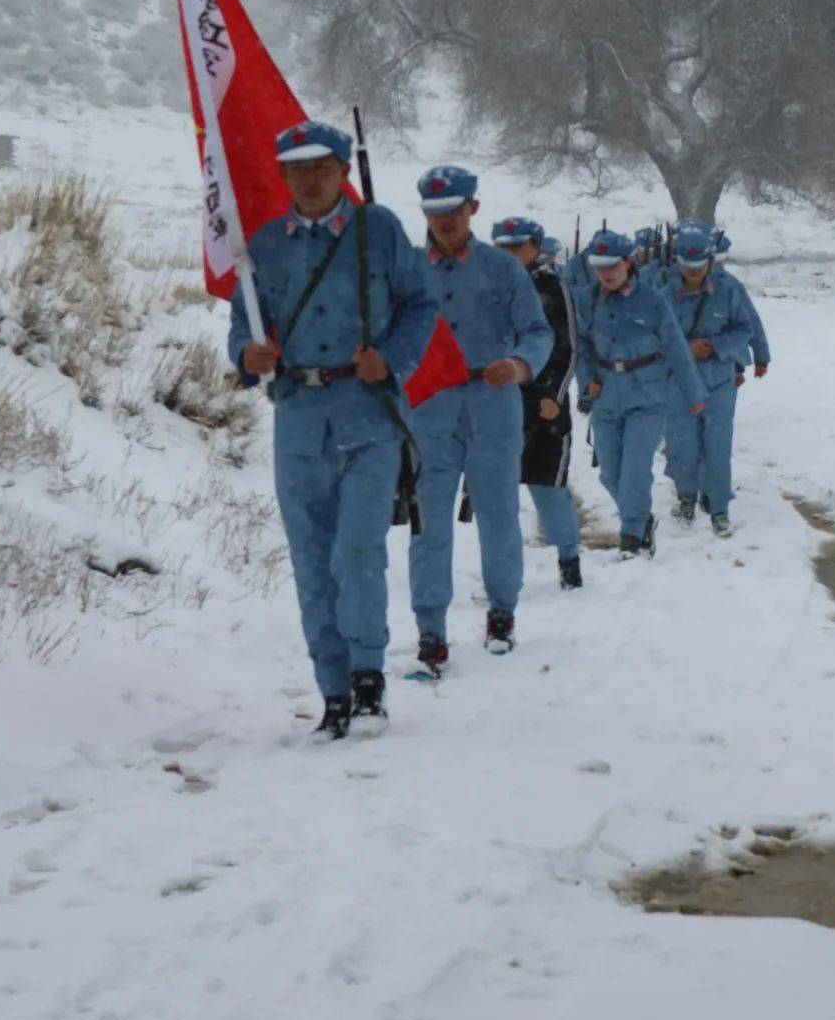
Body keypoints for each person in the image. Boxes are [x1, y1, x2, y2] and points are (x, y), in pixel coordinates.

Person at [228, 120, 438, 741]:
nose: (309, 180)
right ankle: (333, 692)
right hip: (297, 417)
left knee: (357, 550)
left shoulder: (380, 231)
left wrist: (394, 357)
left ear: (344, 171)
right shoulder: (265, 245)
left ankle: (369, 678)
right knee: (312, 562)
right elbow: (245, 319)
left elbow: (420, 305)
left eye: (321, 168)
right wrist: (247, 354)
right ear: (283, 176)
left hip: (366, 412)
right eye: (296, 169)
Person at [409, 167, 553, 671]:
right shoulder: (405, 269)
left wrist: (518, 365)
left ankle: (502, 613)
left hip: (493, 403)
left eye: (453, 210)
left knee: (496, 513)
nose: (444, 221)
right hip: (429, 407)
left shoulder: (502, 268)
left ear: (473, 208)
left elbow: (538, 331)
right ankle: (430, 628)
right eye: (434, 212)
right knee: (429, 522)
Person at [575, 231, 706, 558]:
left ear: (628, 263)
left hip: (646, 394)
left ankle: (631, 538)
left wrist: (694, 393)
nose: (606, 273)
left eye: (612, 266)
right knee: (609, 473)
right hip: (606, 393)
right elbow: (582, 348)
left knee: (635, 469)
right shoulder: (588, 299)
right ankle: (642, 518)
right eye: (599, 267)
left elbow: (676, 346)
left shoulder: (652, 299)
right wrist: (586, 383)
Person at [492, 215, 583, 590]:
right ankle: (502, 573)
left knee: (548, 487)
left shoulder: (551, 286)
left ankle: (569, 559)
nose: (512, 254)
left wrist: (554, 396)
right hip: (496, 400)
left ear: (535, 247)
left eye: (519, 246)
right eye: (504, 248)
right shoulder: (485, 286)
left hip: (541, 401)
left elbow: (568, 347)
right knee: (497, 492)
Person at [662, 221, 758, 539]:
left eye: (699, 266)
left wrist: (716, 347)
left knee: (717, 445)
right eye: (687, 267)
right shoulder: (661, 293)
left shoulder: (730, 290)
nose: (693, 273)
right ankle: (686, 497)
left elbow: (746, 328)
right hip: (679, 381)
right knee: (682, 444)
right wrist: (685, 347)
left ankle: (719, 509)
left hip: (718, 380)